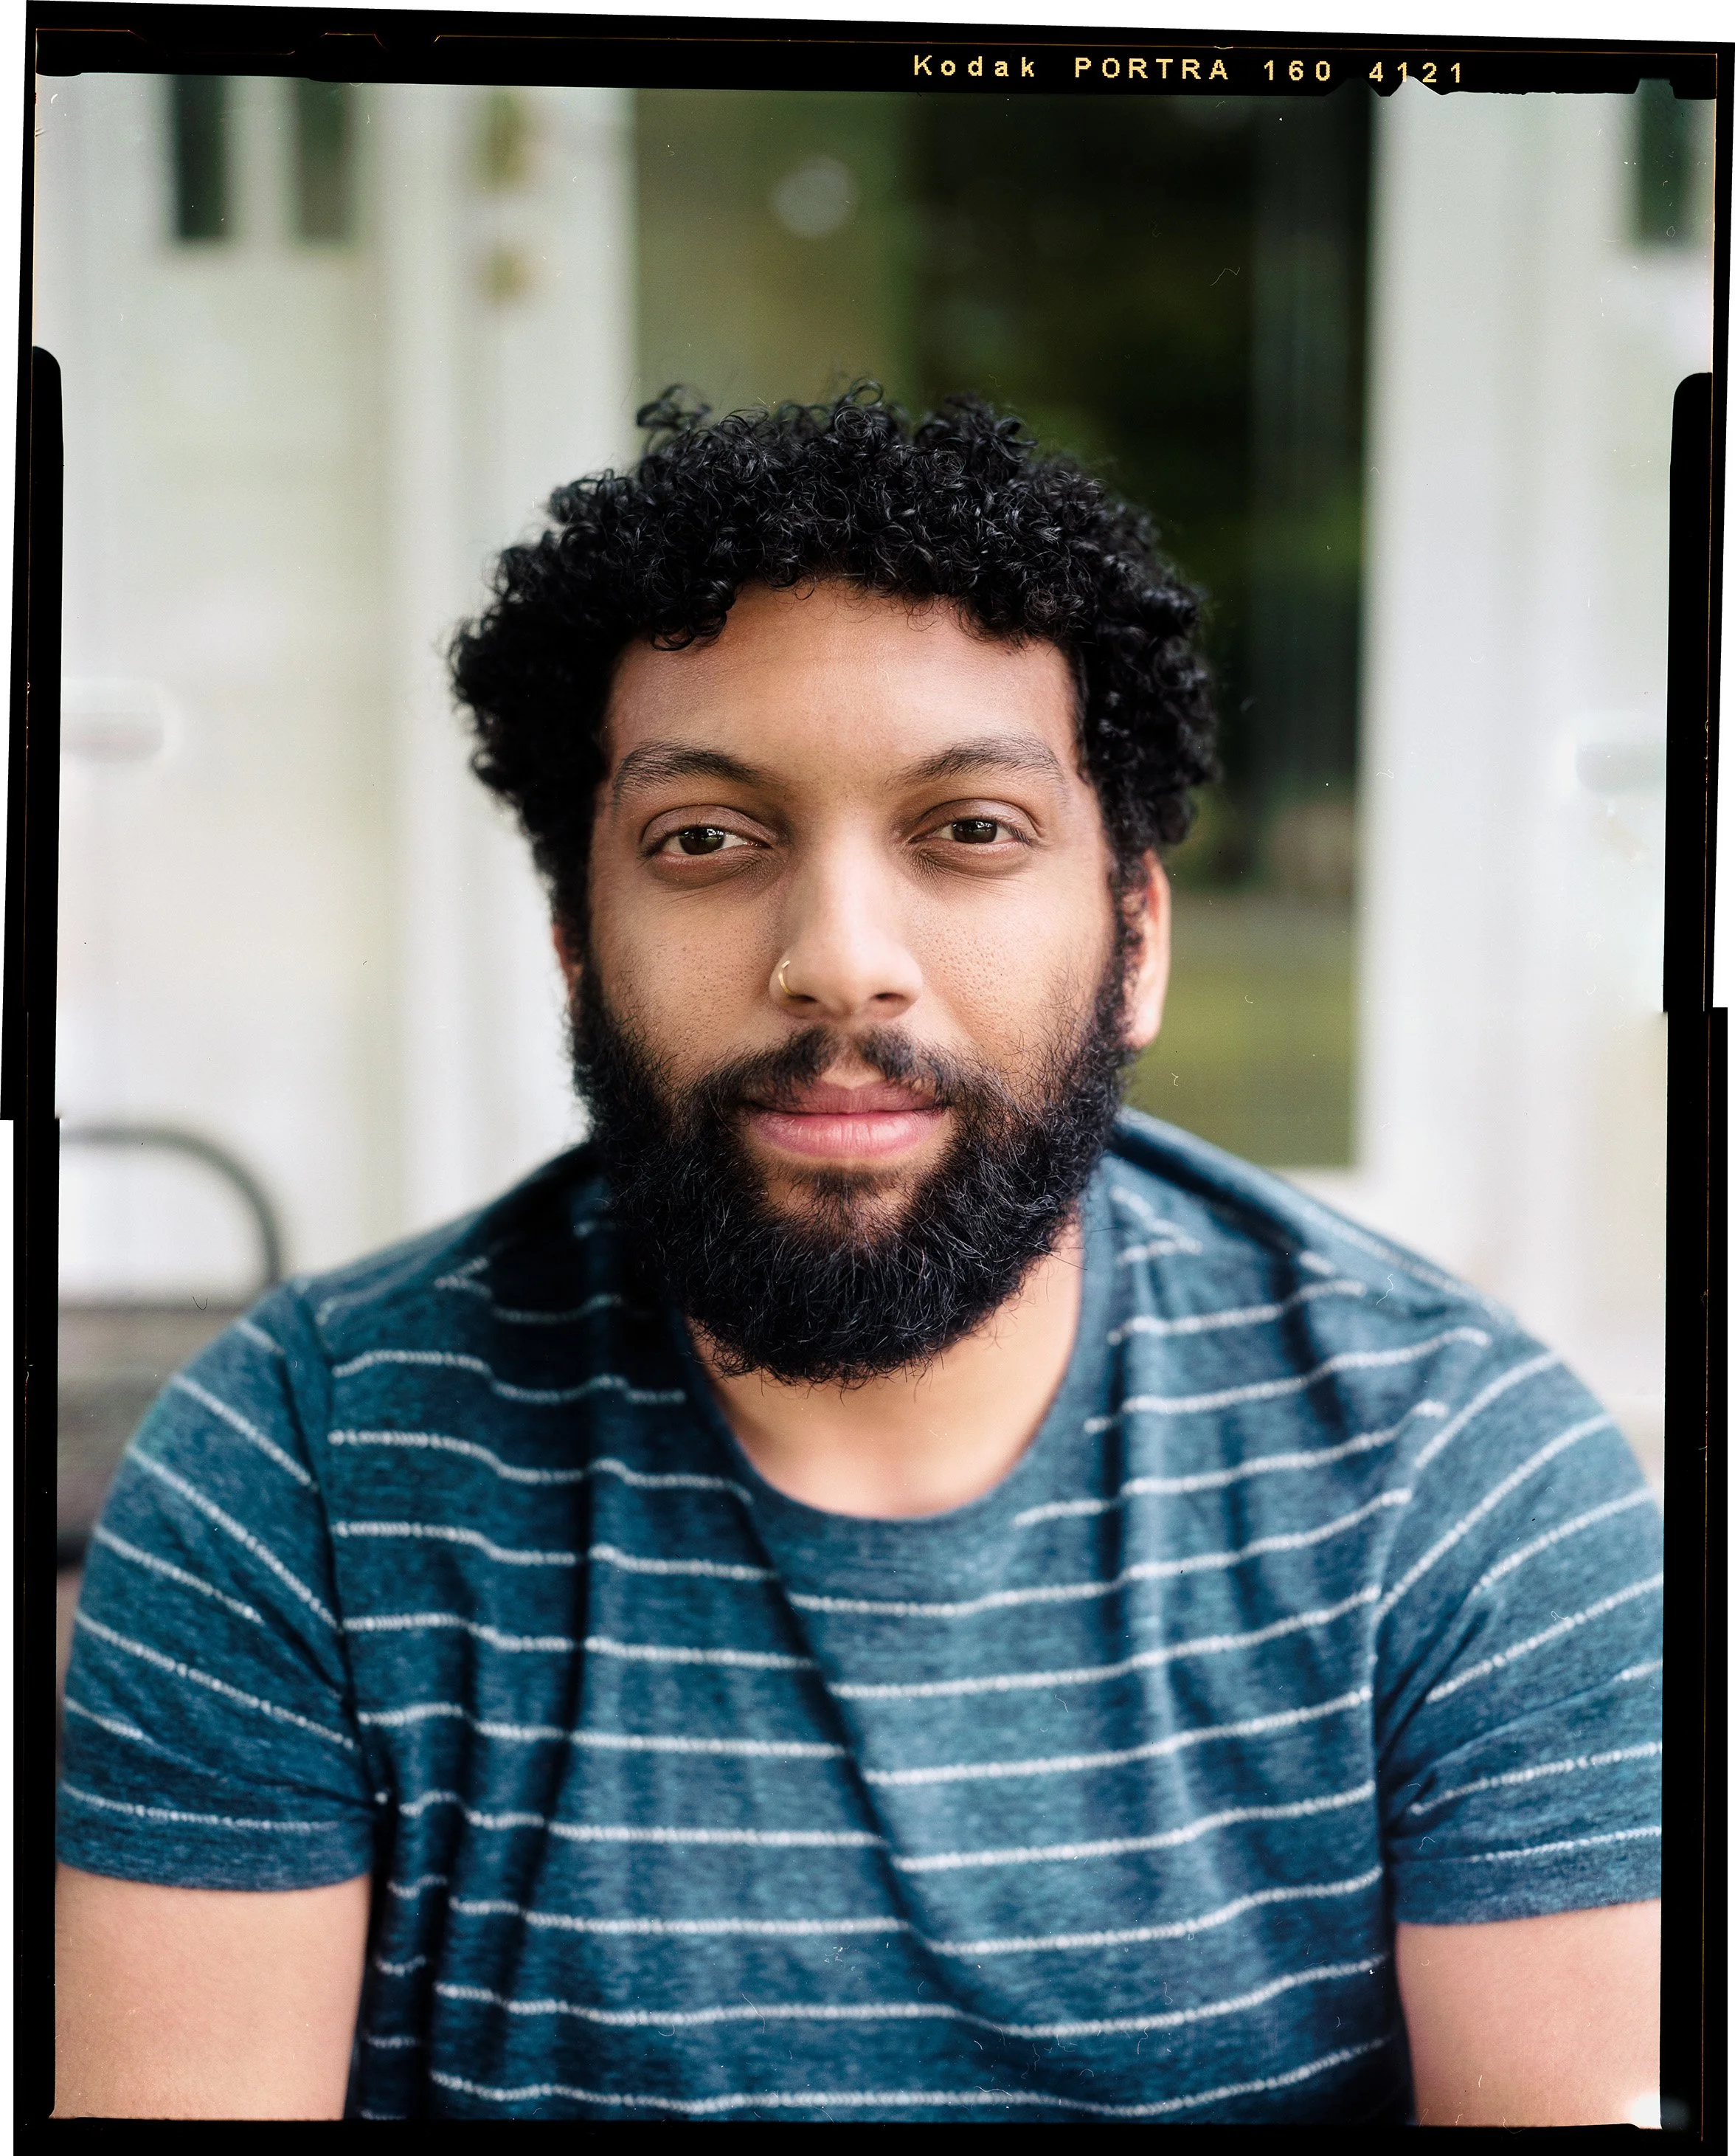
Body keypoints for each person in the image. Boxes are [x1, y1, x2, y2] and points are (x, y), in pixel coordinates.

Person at [55, 393, 1663, 2124]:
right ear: (577, 953)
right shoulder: (298, 1475)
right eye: (706, 842)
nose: (839, 962)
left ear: (1135, 946)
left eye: (969, 828)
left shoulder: (1462, 1484)